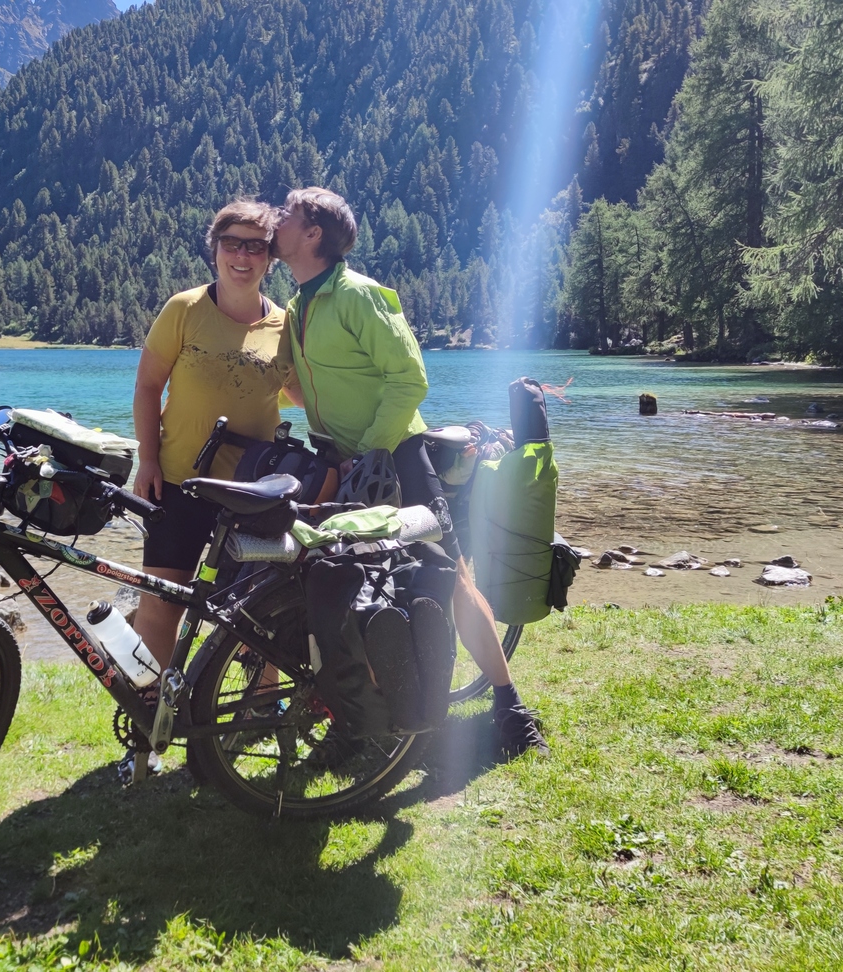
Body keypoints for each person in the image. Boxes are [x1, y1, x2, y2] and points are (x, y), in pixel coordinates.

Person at [272, 186, 548, 757]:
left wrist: (370, 450)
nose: (276, 221)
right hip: (343, 464)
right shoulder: (298, 306)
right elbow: (306, 386)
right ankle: (358, 717)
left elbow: (410, 379)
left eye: (287, 215)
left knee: (451, 580)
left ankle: (510, 708)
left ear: (314, 233)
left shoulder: (359, 295)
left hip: (395, 456)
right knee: (343, 588)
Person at [130, 200, 290, 663]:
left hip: (252, 494)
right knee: (162, 604)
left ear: (270, 257)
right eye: (231, 243)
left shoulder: (285, 326)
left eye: (255, 246)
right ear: (215, 249)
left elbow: (304, 393)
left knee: (258, 615)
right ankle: (152, 700)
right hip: (179, 481)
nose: (242, 256)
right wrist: (148, 459)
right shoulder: (185, 308)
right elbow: (147, 387)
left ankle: (263, 699)